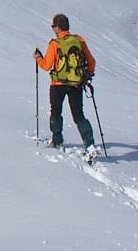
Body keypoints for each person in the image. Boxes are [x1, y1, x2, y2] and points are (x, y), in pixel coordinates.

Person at [35, 13, 97, 153]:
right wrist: (88, 74)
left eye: (53, 26)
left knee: (56, 112)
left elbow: (46, 66)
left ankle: (57, 140)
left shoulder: (55, 44)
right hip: (76, 83)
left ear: (58, 27)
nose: (52, 28)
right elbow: (92, 62)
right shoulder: (79, 40)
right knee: (79, 115)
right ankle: (90, 144)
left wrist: (38, 58)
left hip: (58, 84)